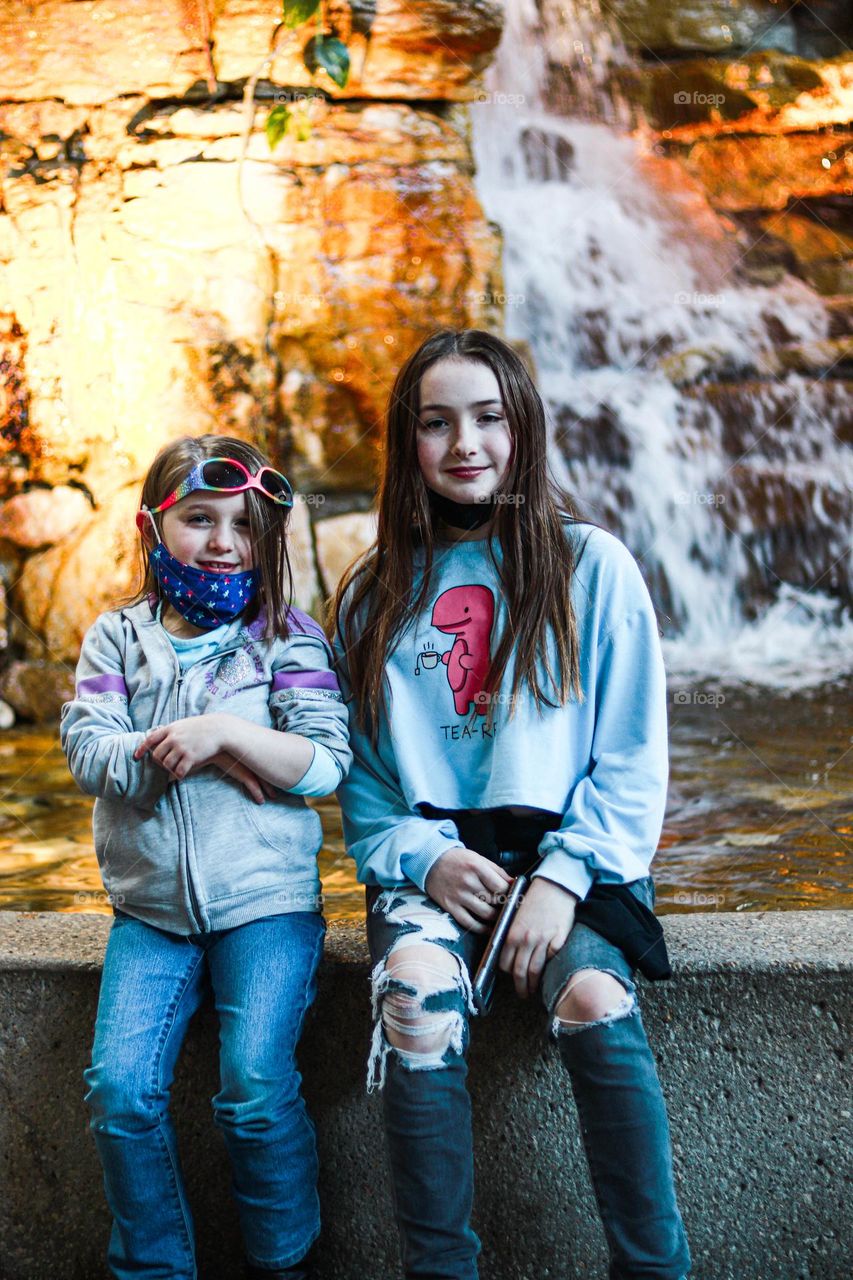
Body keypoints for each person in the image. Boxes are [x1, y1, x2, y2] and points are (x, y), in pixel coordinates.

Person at [328, 330, 692, 1279]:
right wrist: (423, 859)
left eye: (487, 417)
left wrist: (562, 881)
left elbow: (629, 759)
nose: (464, 444)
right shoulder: (371, 597)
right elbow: (363, 786)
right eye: (435, 423)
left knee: (593, 997)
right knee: (416, 1003)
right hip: (438, 860)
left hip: (572, 860)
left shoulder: (591, 566)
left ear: (522, 428)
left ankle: (654, 1268)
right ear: (407, 444)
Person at [61, 435, 351, 1280]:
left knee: (255, 1091)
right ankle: (154, 1268)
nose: (223, 541)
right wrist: (179, 750)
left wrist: (224, 732)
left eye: (244, 525)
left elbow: (325, 763)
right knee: (120, 1094)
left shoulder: (287, 640)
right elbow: (89, 754)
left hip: (266, 907)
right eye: (199, 519)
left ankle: (284, 1263)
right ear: (154, 528)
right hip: (148, 916)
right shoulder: (116, 639)